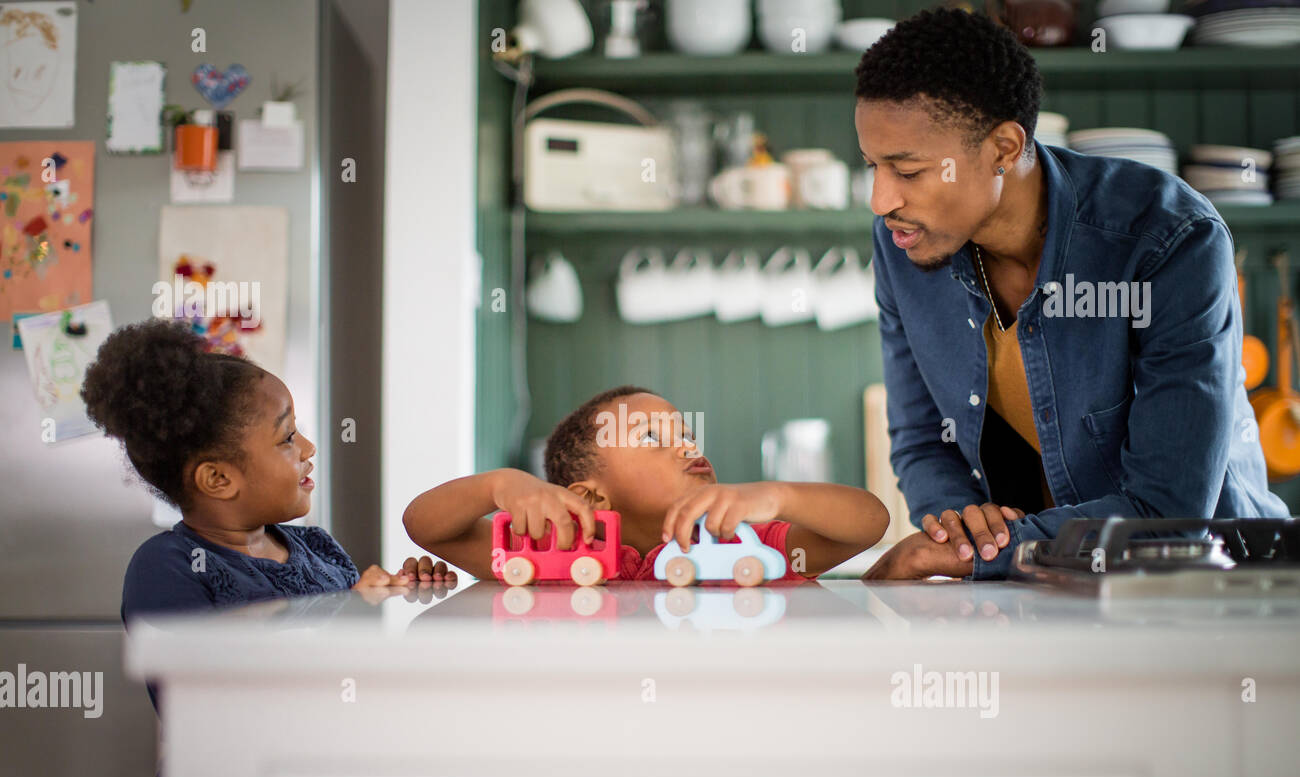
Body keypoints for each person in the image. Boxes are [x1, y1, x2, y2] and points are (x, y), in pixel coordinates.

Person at [854, 9, 1288, 581]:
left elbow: (1168, 515)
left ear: (1004, 148)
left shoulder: (1168, 241)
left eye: (907, 171)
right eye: (872, 166)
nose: (881, 199)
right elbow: (922, 439)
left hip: (1208, 591)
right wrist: (958, 532)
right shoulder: (904, 244)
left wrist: (988, 550)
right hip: (1033, 590)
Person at [80, 319, 454, 777]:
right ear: (218, 480)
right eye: (286, 437)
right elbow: (206, 694)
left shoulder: (319, 549)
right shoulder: (167, 567)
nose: (308, 447)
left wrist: (389, 604)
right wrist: (344, 613)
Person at [404, 386, 890, 582]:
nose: (686, 447)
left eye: (687, 434)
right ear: (590, 497)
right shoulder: (549, 553)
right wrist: (500, 484)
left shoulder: (739, 542)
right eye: (655, 438)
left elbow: (868, 523)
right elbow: (427, 526)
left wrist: (779, 495)